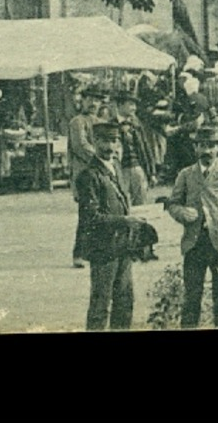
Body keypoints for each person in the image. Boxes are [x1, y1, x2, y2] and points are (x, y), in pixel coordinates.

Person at [165, 126, 218, 329]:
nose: (208, 150)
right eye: (203, 145)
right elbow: (173, 204)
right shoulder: (185, 175)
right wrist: (182, 213)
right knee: (191, 299)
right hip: (194, 244)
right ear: (195, 147)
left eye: (212, 146)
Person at [76, 122, 145, 331]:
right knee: (100, 305)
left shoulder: (116, 169)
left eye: (114, 141)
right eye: (104, 141)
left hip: (122, 246)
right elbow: (91, 217)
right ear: (95, 142)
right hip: (103, 249)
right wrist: (124, 221)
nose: (110, 146)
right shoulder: (88, 176)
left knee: (125, 302)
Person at [68, 87, 109, 266]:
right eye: (90, 99)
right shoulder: (77, 122)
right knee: (86, 212)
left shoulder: (101, 122)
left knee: (103, 210)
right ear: (82, 101)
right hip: (84, 173)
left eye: (97, 100)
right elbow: (80, 145)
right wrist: (100, 158)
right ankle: (79, 253)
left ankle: (97, 251)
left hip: (101, 172)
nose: (93, 104)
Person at [112, 90, 157, 205]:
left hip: (138, 168)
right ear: (120, 105)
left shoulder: (137, 124)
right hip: (120, 170)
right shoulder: (111, 125)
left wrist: (151, 172)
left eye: (135, 105)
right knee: (121, 203)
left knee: (141, 202)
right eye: (130, 104)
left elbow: (146, 148)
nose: (134, 108)